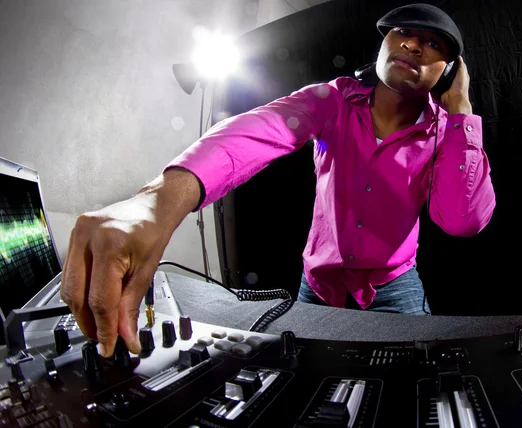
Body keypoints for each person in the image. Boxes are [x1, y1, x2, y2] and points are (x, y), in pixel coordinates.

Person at [60, 3, 495, 358]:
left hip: (396, 290)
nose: (413, 44)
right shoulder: (332, 100)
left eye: (433, 43)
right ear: (383, 44)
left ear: (450, 69)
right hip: (318, 287)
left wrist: (461, 111)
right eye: (403, 32)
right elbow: (256, 132)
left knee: (412, 387)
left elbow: (462, 219)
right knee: (304, 384)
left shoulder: (448, 132)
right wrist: (158, 202)